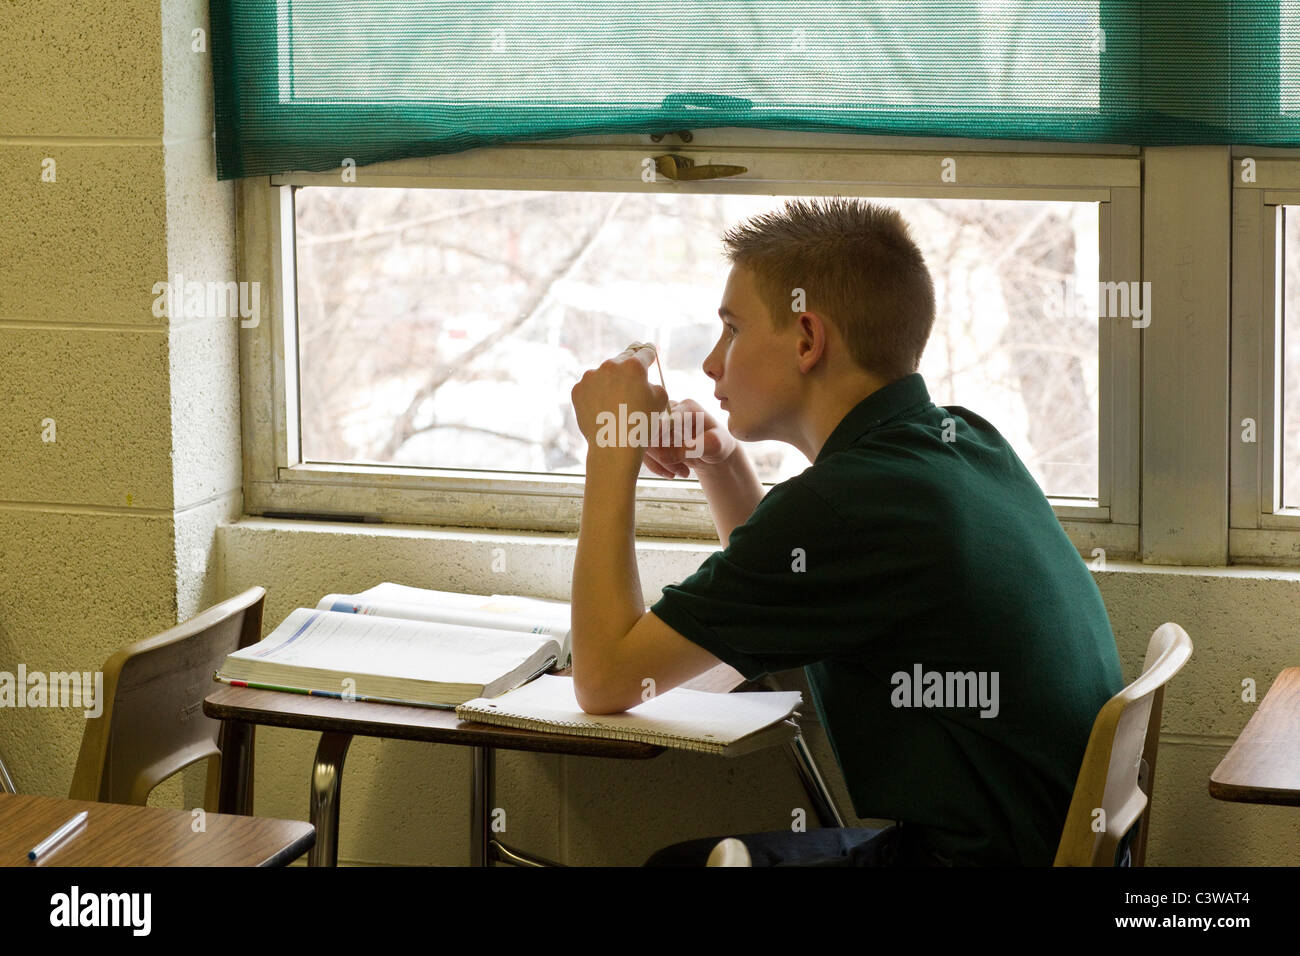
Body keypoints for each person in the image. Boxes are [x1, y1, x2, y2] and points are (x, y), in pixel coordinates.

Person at [567, 197, 1124, 866]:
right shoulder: (963, 440)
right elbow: (799, 576)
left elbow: (602, 682)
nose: (712, 363)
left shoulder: (846, 506)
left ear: (807, 339)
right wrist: (721, 459)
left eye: (732, 330)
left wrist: (610, 450)